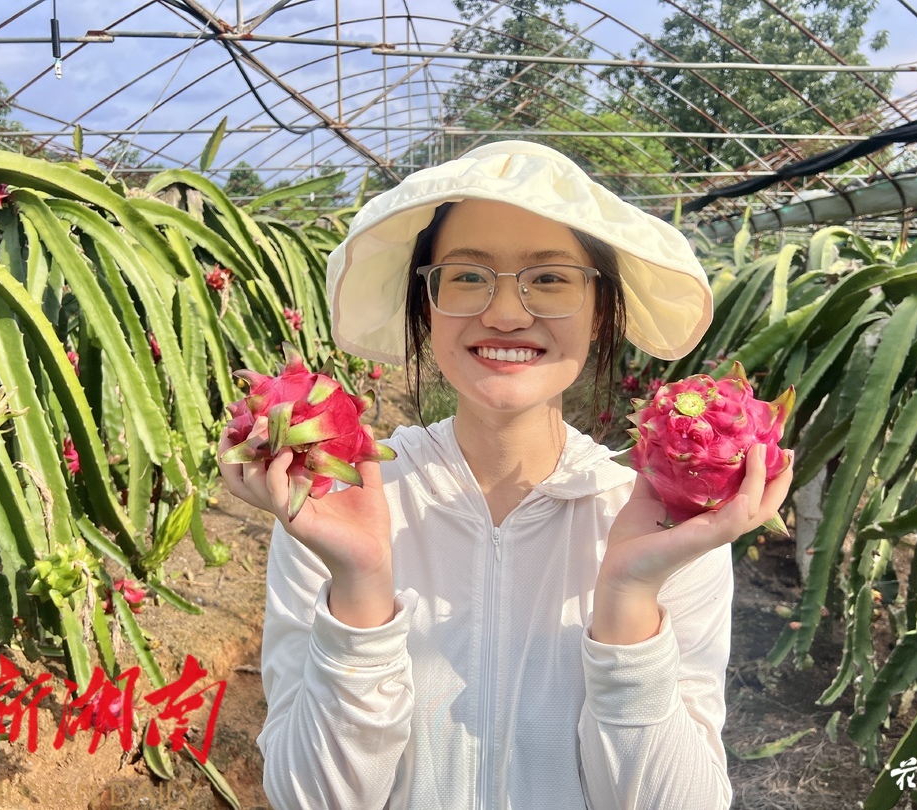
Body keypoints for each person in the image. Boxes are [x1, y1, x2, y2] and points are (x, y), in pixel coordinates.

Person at [218, 140, 793, 810]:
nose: (507, 314)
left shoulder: (666, 526)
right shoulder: (336, 507)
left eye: (550, 279)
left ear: (601, 313)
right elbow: (308, 799)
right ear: (426, 308)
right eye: (467, 276)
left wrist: (631, 597)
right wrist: (360, 588)